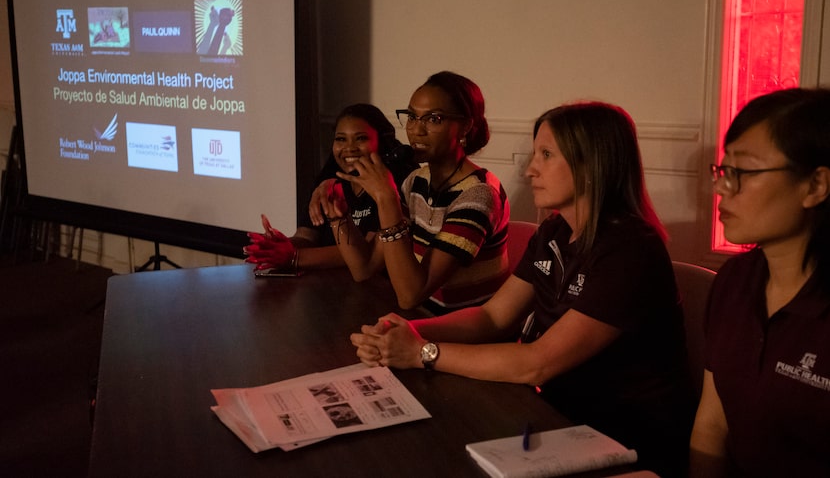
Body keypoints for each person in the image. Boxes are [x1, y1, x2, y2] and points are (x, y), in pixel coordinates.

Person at [350, 102, 695, 477]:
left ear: (591, 164)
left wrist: (423, 353)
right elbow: (494, 316)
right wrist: (410, 331)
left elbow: (538, 363)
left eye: (546, 155)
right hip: (558, 420)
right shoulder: (555, 230)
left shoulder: (629, 249)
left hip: (624, 441)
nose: (531, 169)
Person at [689, 88, 830, 477]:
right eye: (723, 171)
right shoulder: (736, 279)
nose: (720, 188)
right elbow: (712, 426)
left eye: (743, 172)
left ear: (816, 185)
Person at [313, 71, 510, 314]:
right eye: (412, 117)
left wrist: (386, 199)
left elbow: (410, 295)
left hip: (467, 338)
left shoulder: (480, 195)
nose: (416, 130)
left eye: (434, 119)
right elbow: (363, 268)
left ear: (466, 126)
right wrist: (337, 216)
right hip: (422, 324)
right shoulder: (416, 181)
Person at [243, 103, 417, 273]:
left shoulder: (391, 187)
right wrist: (277, 247)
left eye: (361, 138)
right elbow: (306, 237)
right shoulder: (329, 184)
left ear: (382, 142)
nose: (349, 148)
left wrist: (294, 257)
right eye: (341, 139)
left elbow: (367, 253)